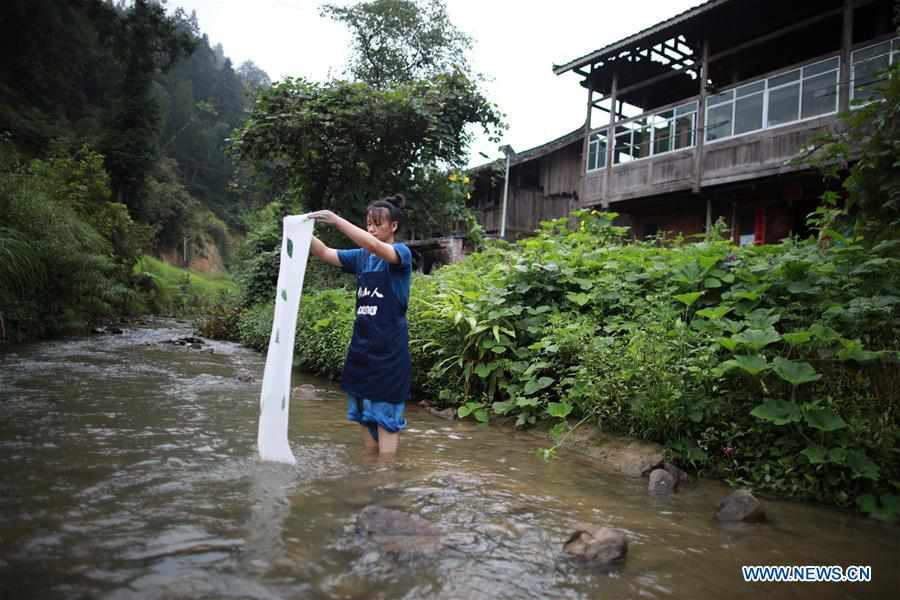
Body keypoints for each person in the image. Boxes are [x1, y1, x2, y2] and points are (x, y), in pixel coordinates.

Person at [307, 195, 412, 456]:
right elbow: (323, 252)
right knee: (365, 416)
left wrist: (335, 220)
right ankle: (367, 481)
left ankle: (386, 482)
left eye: (377, 224)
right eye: (368, 224)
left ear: (394, 226)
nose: (372, 229)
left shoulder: (401, 254)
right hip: (361, 351)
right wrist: (297, 230)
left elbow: (377, 248)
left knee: (385, 418)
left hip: (389, 354)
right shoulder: (360, 258)